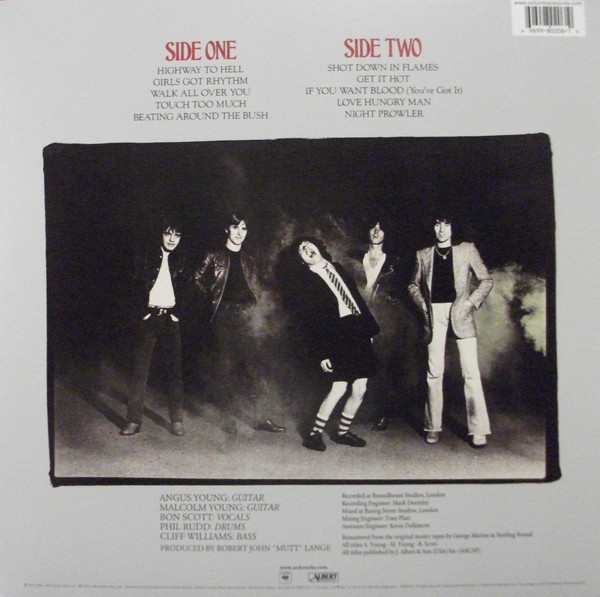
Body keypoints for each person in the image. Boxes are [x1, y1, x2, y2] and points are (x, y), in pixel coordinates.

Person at [193, 212, 286, 433]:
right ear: (227, 229)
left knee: (255, 367)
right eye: (235, 227)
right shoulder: (213, 256)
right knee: (227, 367)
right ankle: (229, 418)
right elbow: (196, 280)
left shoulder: (249, 260)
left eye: (244, 228)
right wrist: (212, 299)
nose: (240, 233)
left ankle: (261, 417)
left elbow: (255, 288)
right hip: (223, 315)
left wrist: (257, 311)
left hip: (247, 316)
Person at [408, 215, 493, 448]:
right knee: (434, 373)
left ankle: (478, 430)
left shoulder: (467, 250)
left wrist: (470, 303)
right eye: (437, 224)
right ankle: (432, 426)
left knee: (471, 373)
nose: (442, 229)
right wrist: (423, 305)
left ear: (454, 227)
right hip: (433, 315)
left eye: (446, 224)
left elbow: (486, 280)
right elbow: (412, 284)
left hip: (461, 314)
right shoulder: (423, 254)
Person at [292, 236, 380, 452]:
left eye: (309, 245)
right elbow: (309, 322)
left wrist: (368, 329)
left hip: (358, 328)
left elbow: (356, 298)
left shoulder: (337, 267)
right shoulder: (304, 281)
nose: (307, 249)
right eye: (302, 250)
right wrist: (322, 354)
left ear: (318, 247)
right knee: (339, 386)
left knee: (360, 388)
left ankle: (342, 432)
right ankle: (314, 434)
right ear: (302, 259)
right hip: (336, 334)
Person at [121, 217, 186, 436]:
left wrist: (177, 314)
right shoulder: (146, 256)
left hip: (170, 320)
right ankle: (133, 420)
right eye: (168, 233)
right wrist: (143, 312)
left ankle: (176, 420)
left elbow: (188, 291)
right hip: (149, 319)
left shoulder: (181, 260)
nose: (172, 239)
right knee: (140, 371)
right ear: (160, 234)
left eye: (177, 235)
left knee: (174, 372)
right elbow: (132, 286)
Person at [356, 219, 403, 431]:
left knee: (381, 366)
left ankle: (382, 413)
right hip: (356, 315)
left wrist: (389, 305)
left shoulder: (394, 261)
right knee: (355, 362)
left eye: (381, 227)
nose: (376, 231)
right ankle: (355, 411)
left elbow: (399, 291)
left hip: (382, 318)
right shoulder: (354, 256)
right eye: (373, 227)